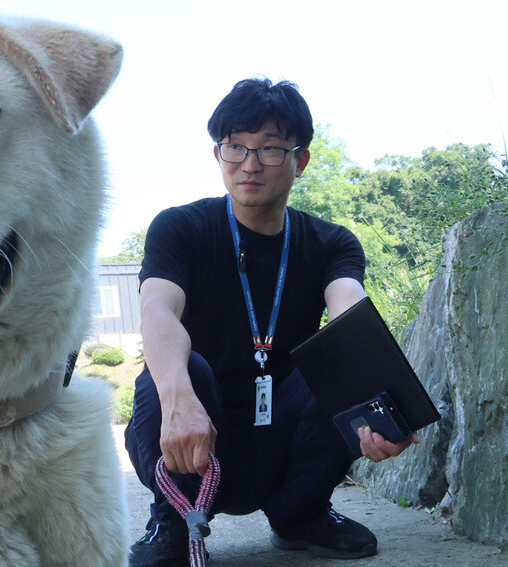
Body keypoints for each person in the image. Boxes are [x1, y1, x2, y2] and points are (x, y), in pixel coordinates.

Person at [124, 77, 418, 567]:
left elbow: (350, 313)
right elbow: (157, 310)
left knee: (334, 360)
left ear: (300, 161)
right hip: (196, 431)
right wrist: (179, 400)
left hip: (284, 438)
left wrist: (385, 407)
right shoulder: (180, 228)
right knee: (175, 369)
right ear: (218, 154)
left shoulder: (332, 243)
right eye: (235, 147)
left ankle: (302, 513)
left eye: (270, 149)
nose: (250, 164)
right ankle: (174, 520)